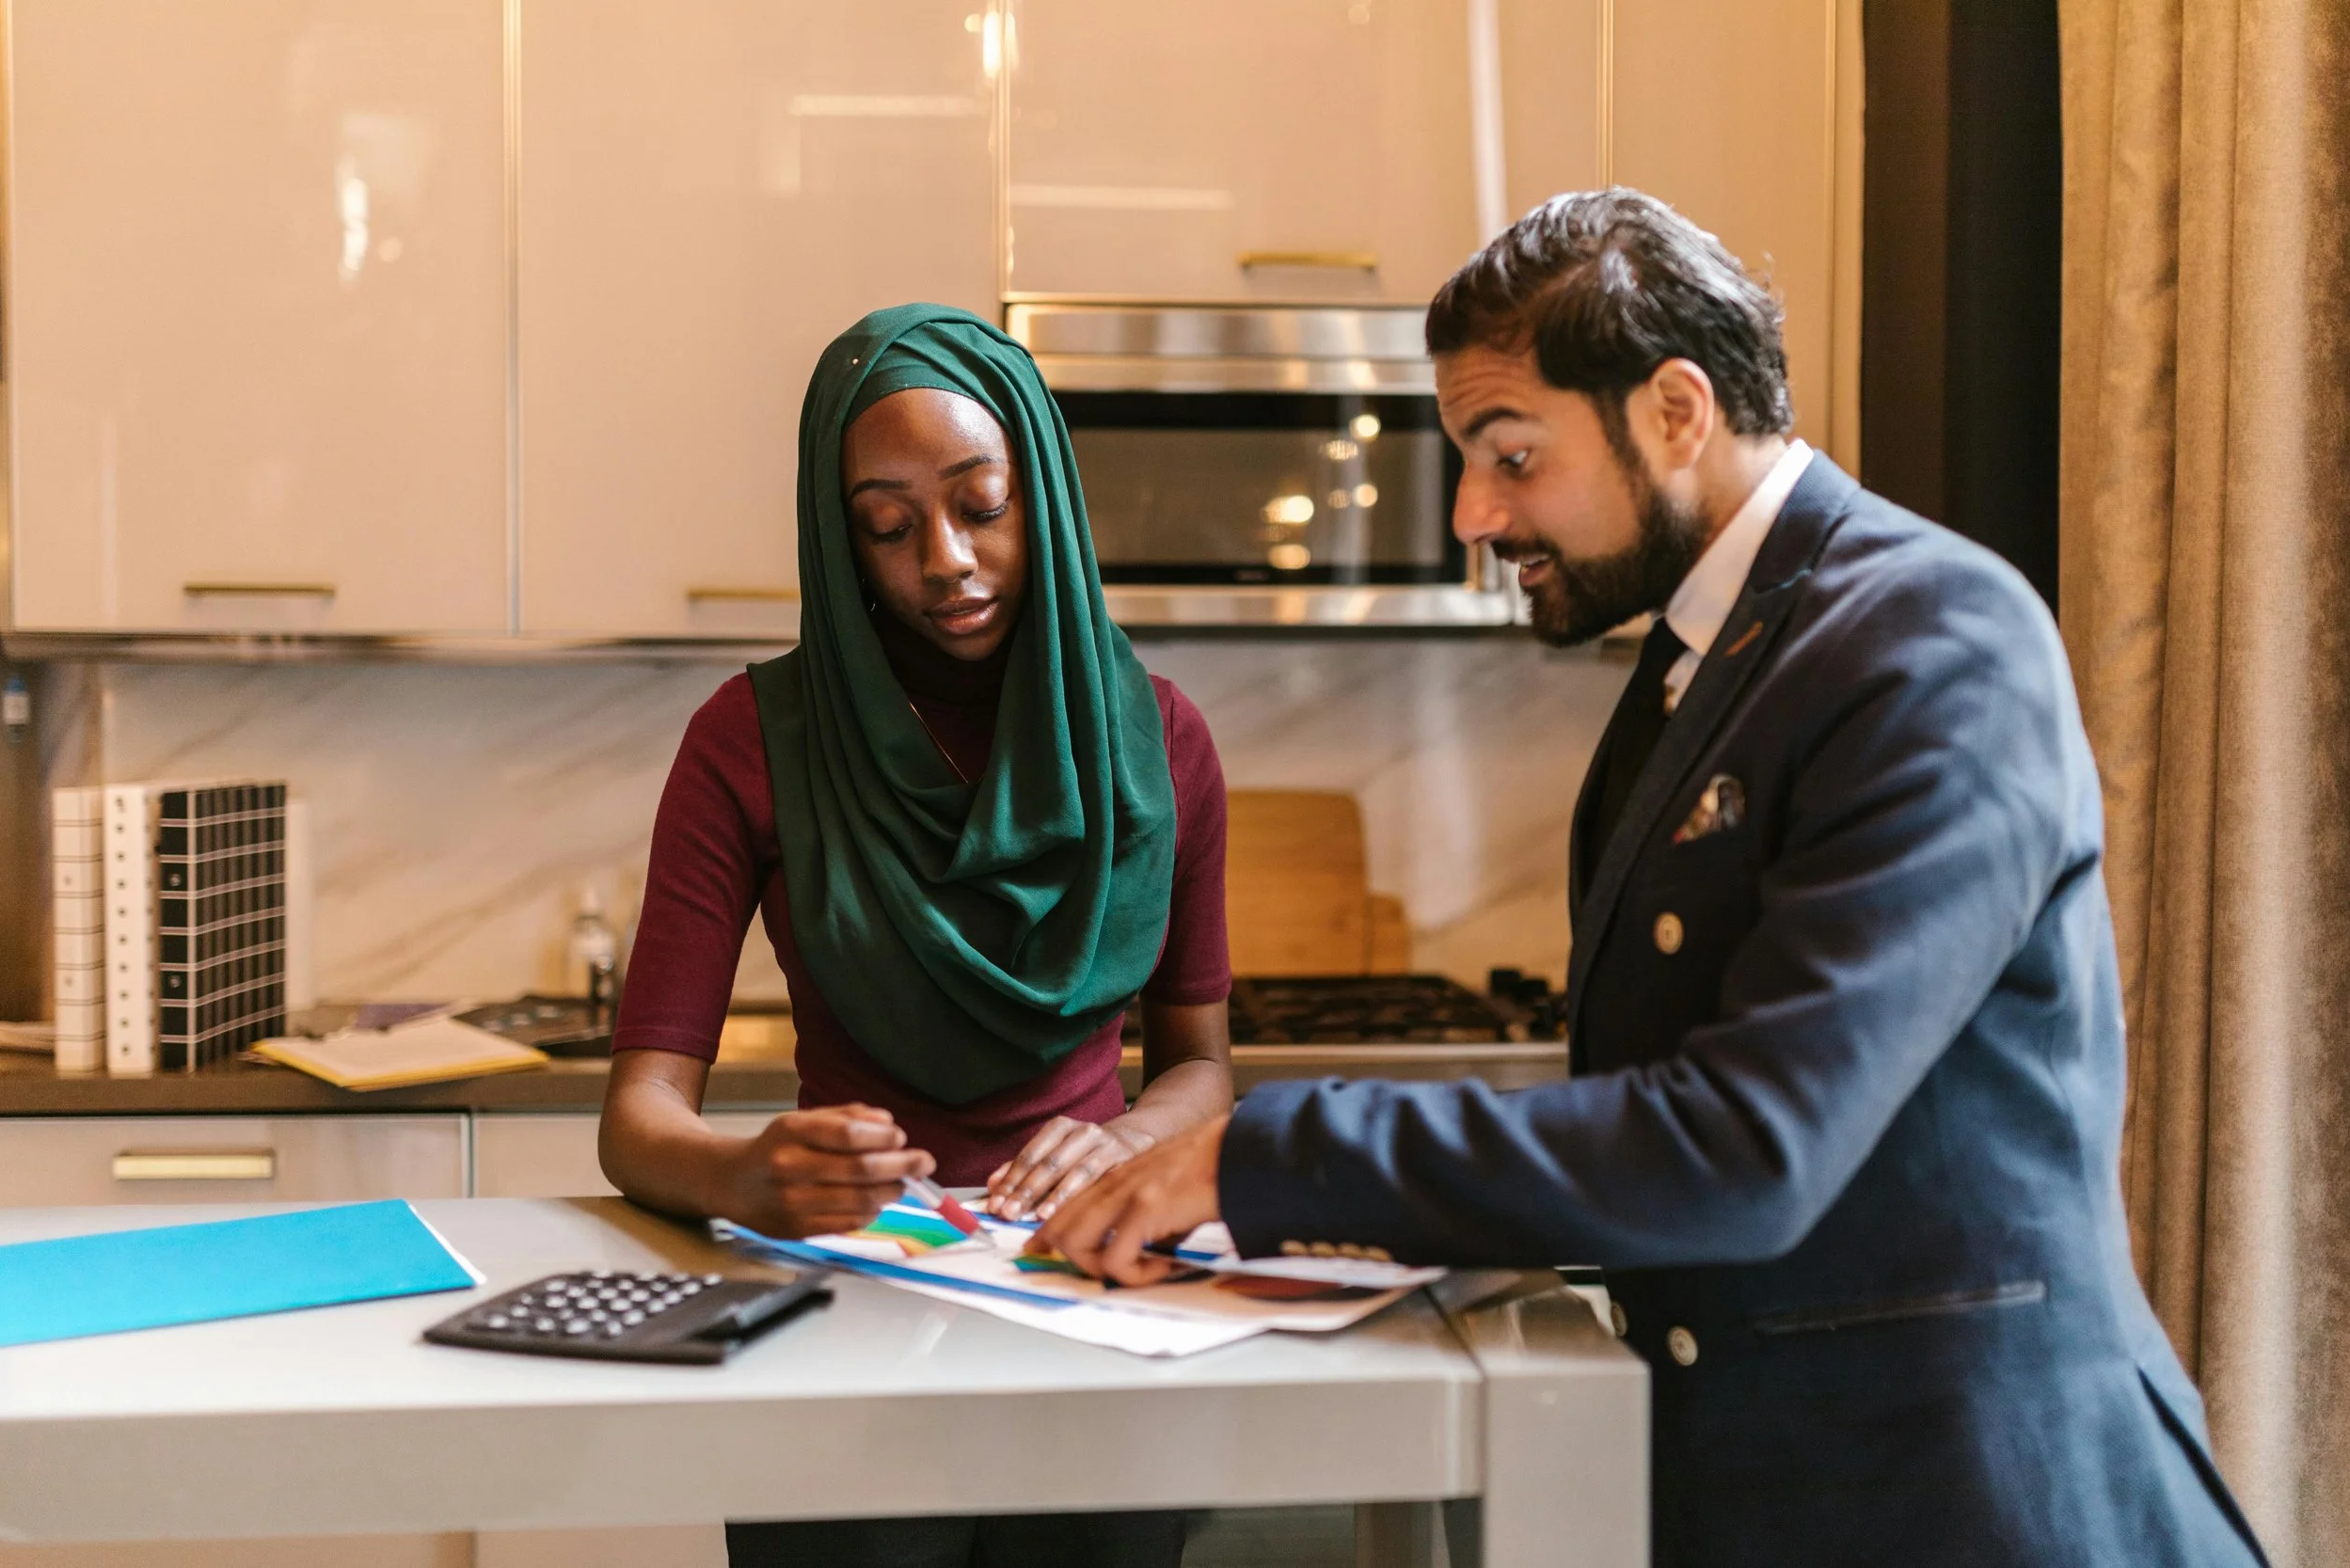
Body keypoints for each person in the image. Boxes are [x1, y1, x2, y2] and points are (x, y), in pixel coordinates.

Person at [1038, 191, 2270, 1566]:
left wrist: (1274, 1152)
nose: (1473, 513)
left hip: (1975, 1502)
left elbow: (1746, 1148)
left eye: (1512, 454)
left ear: (1676, 411)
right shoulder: (1693, 671)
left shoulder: (1932, 636)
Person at [600, 303, 1231, 1568]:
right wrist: (741, 1175)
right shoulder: (749, 744)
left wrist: (1120, 1140)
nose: (943, 558)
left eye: (980, 505)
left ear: (1040, 495)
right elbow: (638, 1114)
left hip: (1094, 1292)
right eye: (888, 527)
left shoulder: (1159, 743)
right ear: (841, 548)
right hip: (844, 1306)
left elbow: (1200, 1068)